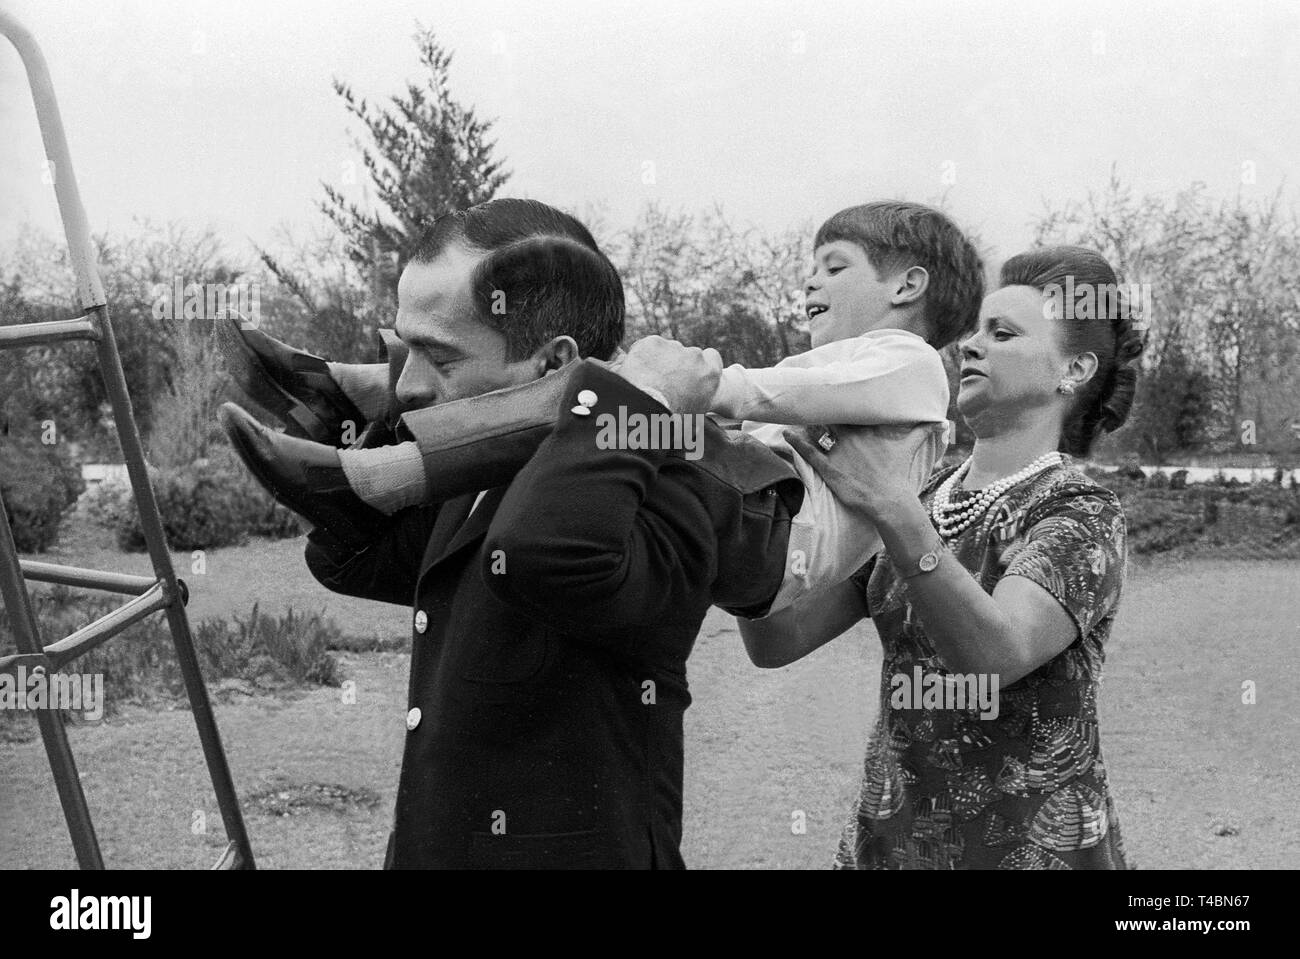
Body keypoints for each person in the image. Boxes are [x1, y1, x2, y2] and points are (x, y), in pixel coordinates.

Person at [222, 198, 802, 869]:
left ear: (555, 365)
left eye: (436, 355)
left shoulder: (659, 482)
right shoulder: (488, 463)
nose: (408, 385)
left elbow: (539, 555)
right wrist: (370, 433)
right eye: (402, 350)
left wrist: (638, 401)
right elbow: (359, 559)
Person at [221, 201, 985, 614]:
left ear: (907, 287)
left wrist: (700, 384)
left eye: (833, 265)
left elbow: (789, 394)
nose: (810, 282)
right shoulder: (862, 374)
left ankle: (367, 438)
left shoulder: (913, 365)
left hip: (772, 531)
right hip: (761, 519)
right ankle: (351, 395)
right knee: (590, 398)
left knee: (593, 390)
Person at [741, 246, 1142, 869]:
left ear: (1075, 368)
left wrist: (892, 510)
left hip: (1031, 851)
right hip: (891, 843)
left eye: (1002, 334)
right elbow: (778, 639)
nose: (968, 347)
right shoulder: (920, 495)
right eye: (975, 331)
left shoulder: (1081, 513)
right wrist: (755, 498)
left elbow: (994, 657)